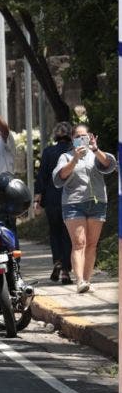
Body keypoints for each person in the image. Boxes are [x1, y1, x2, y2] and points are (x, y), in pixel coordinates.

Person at [53, 123, 118, 293]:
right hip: (74, 204)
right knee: (79, 243)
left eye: (84, 136)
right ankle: (80, 280)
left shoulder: (95, 154)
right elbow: (60, 176)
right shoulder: (65, 157)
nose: (81, 139)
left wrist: (95, 149)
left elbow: (109, 164)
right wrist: (75, 159)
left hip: (97, 203)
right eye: (77, 137)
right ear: (72, 139)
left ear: (90, 137)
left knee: (91, 244)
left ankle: (87, 281)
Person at [35, 122, 74, 285]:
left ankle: (57, 260)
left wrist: (37, 200)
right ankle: (66, 271)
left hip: (51, 199)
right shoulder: (73, 152)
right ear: (70, 135)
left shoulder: (48, 152)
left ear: (55, 136)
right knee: (68, 234)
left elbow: (42, 176)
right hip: (70, 198)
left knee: (55, 232)